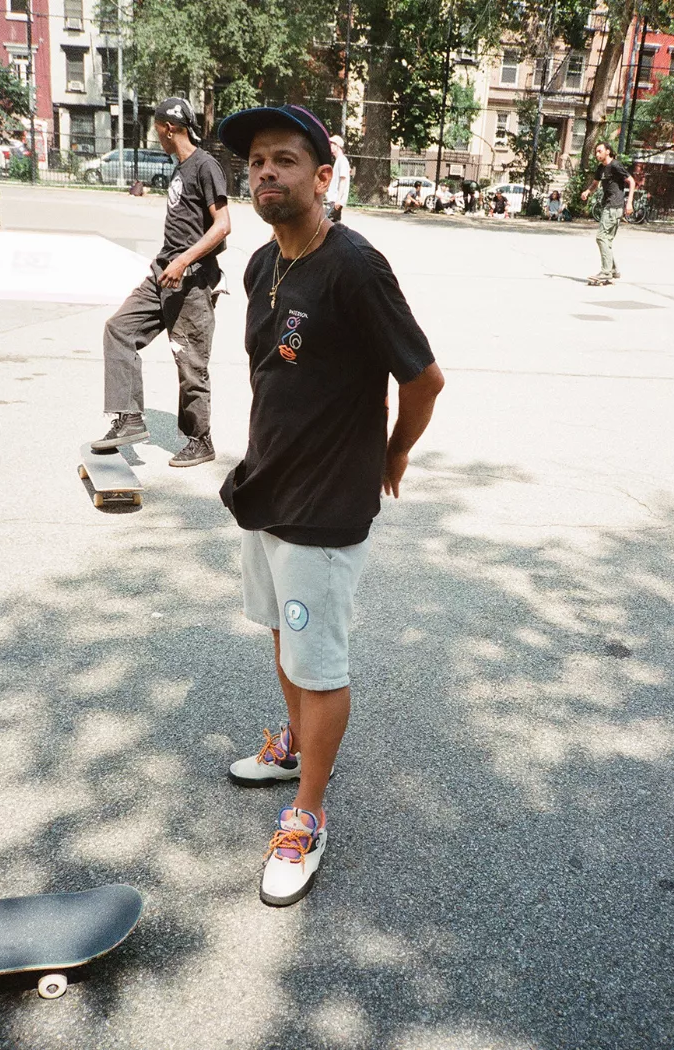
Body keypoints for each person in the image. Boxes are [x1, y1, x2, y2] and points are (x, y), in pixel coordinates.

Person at [217, 103, 444, 906]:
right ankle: (297, 749)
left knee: (321, 666)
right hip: (266, 489)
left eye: (283, 160)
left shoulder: (355, 266)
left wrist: (395, 451)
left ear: (322, 177)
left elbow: (423, 378)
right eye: (255, 164)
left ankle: (307, 811)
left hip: (325, 503)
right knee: (284, 638)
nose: (265, 173)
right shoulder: (259, 264)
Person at [91, 98, 230, 466]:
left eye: (157, 129)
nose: (157, 136)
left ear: (169, 128)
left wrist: (184, 261)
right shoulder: (180, 168)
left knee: (188, 360)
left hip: (191, 280)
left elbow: (223, 226)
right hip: (161, 272)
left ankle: (201, 440)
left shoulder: (204, 166)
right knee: (119, 329)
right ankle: (129, 417)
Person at [581, 142, 635, 283]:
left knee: (601, 237)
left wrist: (629, 203)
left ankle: (606, 272)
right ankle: (613, 270)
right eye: (596, 152)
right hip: (609, 206)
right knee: (607, 240)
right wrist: (588, 191)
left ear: (608, 151)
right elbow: (595, 184)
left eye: (600, 151)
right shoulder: (601, 168)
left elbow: (631, 181)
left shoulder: (615, 165)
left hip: (614, 206)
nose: (597, 154)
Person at [325, 134, 350, 223]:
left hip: (335, 200)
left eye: (332, 144)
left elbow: (343, 180)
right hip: (334, 199)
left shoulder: (342, 161)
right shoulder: (338, 160)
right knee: (335, 225)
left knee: (324, 223)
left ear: (337, 146)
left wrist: (338, 200)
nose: (330, 146)